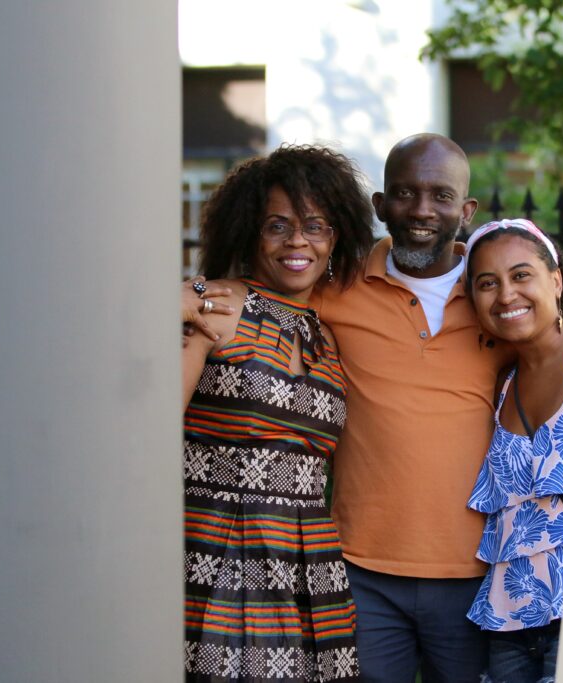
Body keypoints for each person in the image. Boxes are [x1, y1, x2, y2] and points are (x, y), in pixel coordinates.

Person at [187, 133, 512, 682]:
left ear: (467, 209)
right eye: (406, 194)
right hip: (348, 568)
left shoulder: (496, 298)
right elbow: (252, 289)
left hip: (470, 571)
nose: (423, 210)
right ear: (379, 207)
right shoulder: (332, 288)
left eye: (441, 195)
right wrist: (191, 293)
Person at [181, 144, 374, 681]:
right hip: (218, 547)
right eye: (277, 226)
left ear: (336, 238)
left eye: (316, 226)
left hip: (308, 558)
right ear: (249, 233)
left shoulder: (327, 336)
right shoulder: (217, 307)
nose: (297, 242)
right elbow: (147, 428)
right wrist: (189, 294)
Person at [462, 218, 563, 683]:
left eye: (521, 275)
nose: (506, 295)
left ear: (555, 280)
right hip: (510, 625)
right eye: (487, 283)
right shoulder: (501, 384)